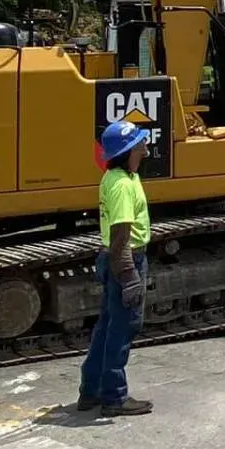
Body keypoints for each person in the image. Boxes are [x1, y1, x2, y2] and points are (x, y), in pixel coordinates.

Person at [77, 117, 154, 417]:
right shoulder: (122, 185)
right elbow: (121, 235)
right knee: (122, 329)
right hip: (126, 258)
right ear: (128, 151)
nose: (146, 149)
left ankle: (91, 391)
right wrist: (129, 276)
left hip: (114, 257)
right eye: (140, 144)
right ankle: (114, 397)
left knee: (107, 328)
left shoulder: (120, 178)